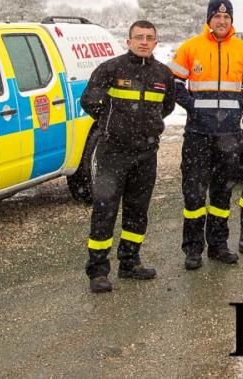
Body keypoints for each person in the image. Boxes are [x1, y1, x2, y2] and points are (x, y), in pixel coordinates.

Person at [80, 20, 176, 293]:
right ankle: (98, 271)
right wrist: (111, 124)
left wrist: (145, 128)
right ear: (129, 41)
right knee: (104, 211)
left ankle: (130, 262)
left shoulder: (163, 74)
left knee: (137, 211)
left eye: (149, 38)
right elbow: (89, 100)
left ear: (155, 42)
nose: (144, 42)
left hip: (146, 154)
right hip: (113, 152)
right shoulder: (110, 69)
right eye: (139, 37)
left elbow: (167, 107)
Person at [169, 0, 243, 269]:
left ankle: (219, 245)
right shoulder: (191, 47)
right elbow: (174, 82)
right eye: (217, 16)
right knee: (194, 194)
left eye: (226, 17)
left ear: (231, 20)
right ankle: (193, 249)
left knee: (223, 193)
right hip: (198, 133)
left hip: (229, 135)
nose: (222, 21)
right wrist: (193, 106)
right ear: (209, 19)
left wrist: (242, 106)